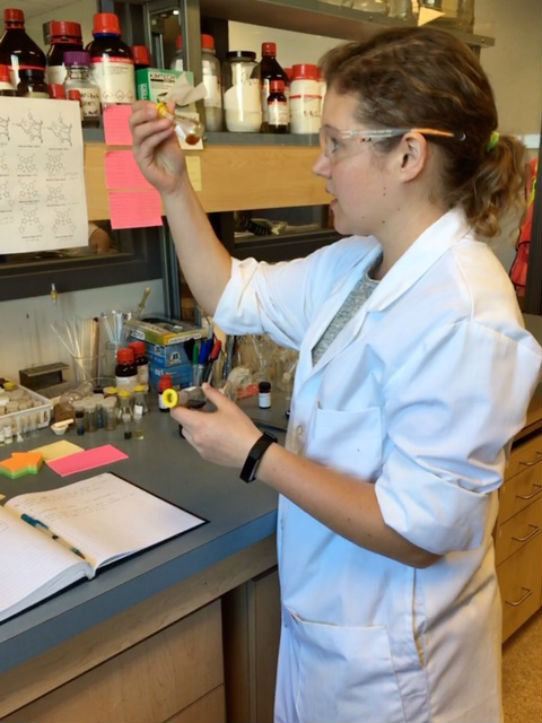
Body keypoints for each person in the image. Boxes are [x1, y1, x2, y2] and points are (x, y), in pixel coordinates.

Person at [130, 26, 542, 723]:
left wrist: (257, 453)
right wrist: (174, 189)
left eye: (335, 143)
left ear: (409, 153)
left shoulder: (465, 315)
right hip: (332, 641)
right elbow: (233, 291)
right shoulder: (358, 262)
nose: (319, 166)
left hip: (400, 671)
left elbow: (417, 531)